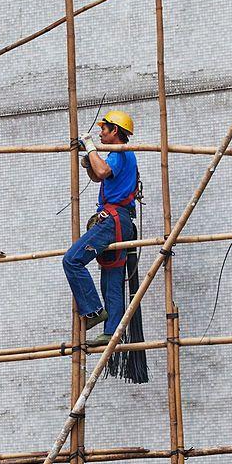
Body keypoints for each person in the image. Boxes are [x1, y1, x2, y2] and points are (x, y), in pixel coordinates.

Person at [62, 110, 139, 345]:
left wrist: (89, 146)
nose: (100, 132)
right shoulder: (120, 155)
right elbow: (98, 176)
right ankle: (111, 330)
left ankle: (93, 311)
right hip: (121, 220)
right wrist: (88, 163)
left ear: (115, 131)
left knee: (72, 260)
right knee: (112, 274)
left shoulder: (118, 151)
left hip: (113, 219)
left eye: (103, 129)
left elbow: (103, 170)